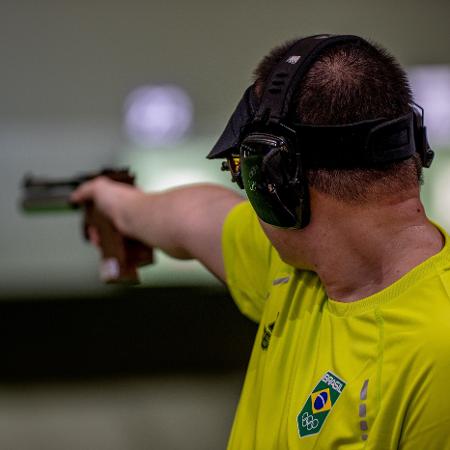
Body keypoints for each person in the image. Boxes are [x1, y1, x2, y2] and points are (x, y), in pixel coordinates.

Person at [71, 34, 450, 449]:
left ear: (276, 183)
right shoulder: (300, 267)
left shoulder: (436, 354)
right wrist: (119, 202)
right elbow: (190, 216)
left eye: (245, 173)